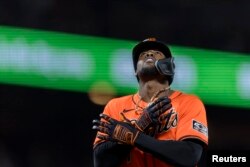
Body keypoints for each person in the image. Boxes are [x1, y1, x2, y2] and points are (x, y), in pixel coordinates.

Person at [92, 38, 208, 167]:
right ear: (136, 70)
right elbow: (101, 163)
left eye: (156, 53)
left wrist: (134, 136)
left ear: (169, 66)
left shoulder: (188, 102)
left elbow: (189, 156)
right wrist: (139, 126)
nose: (148, 54)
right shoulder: (115, 106)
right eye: (143, 54)